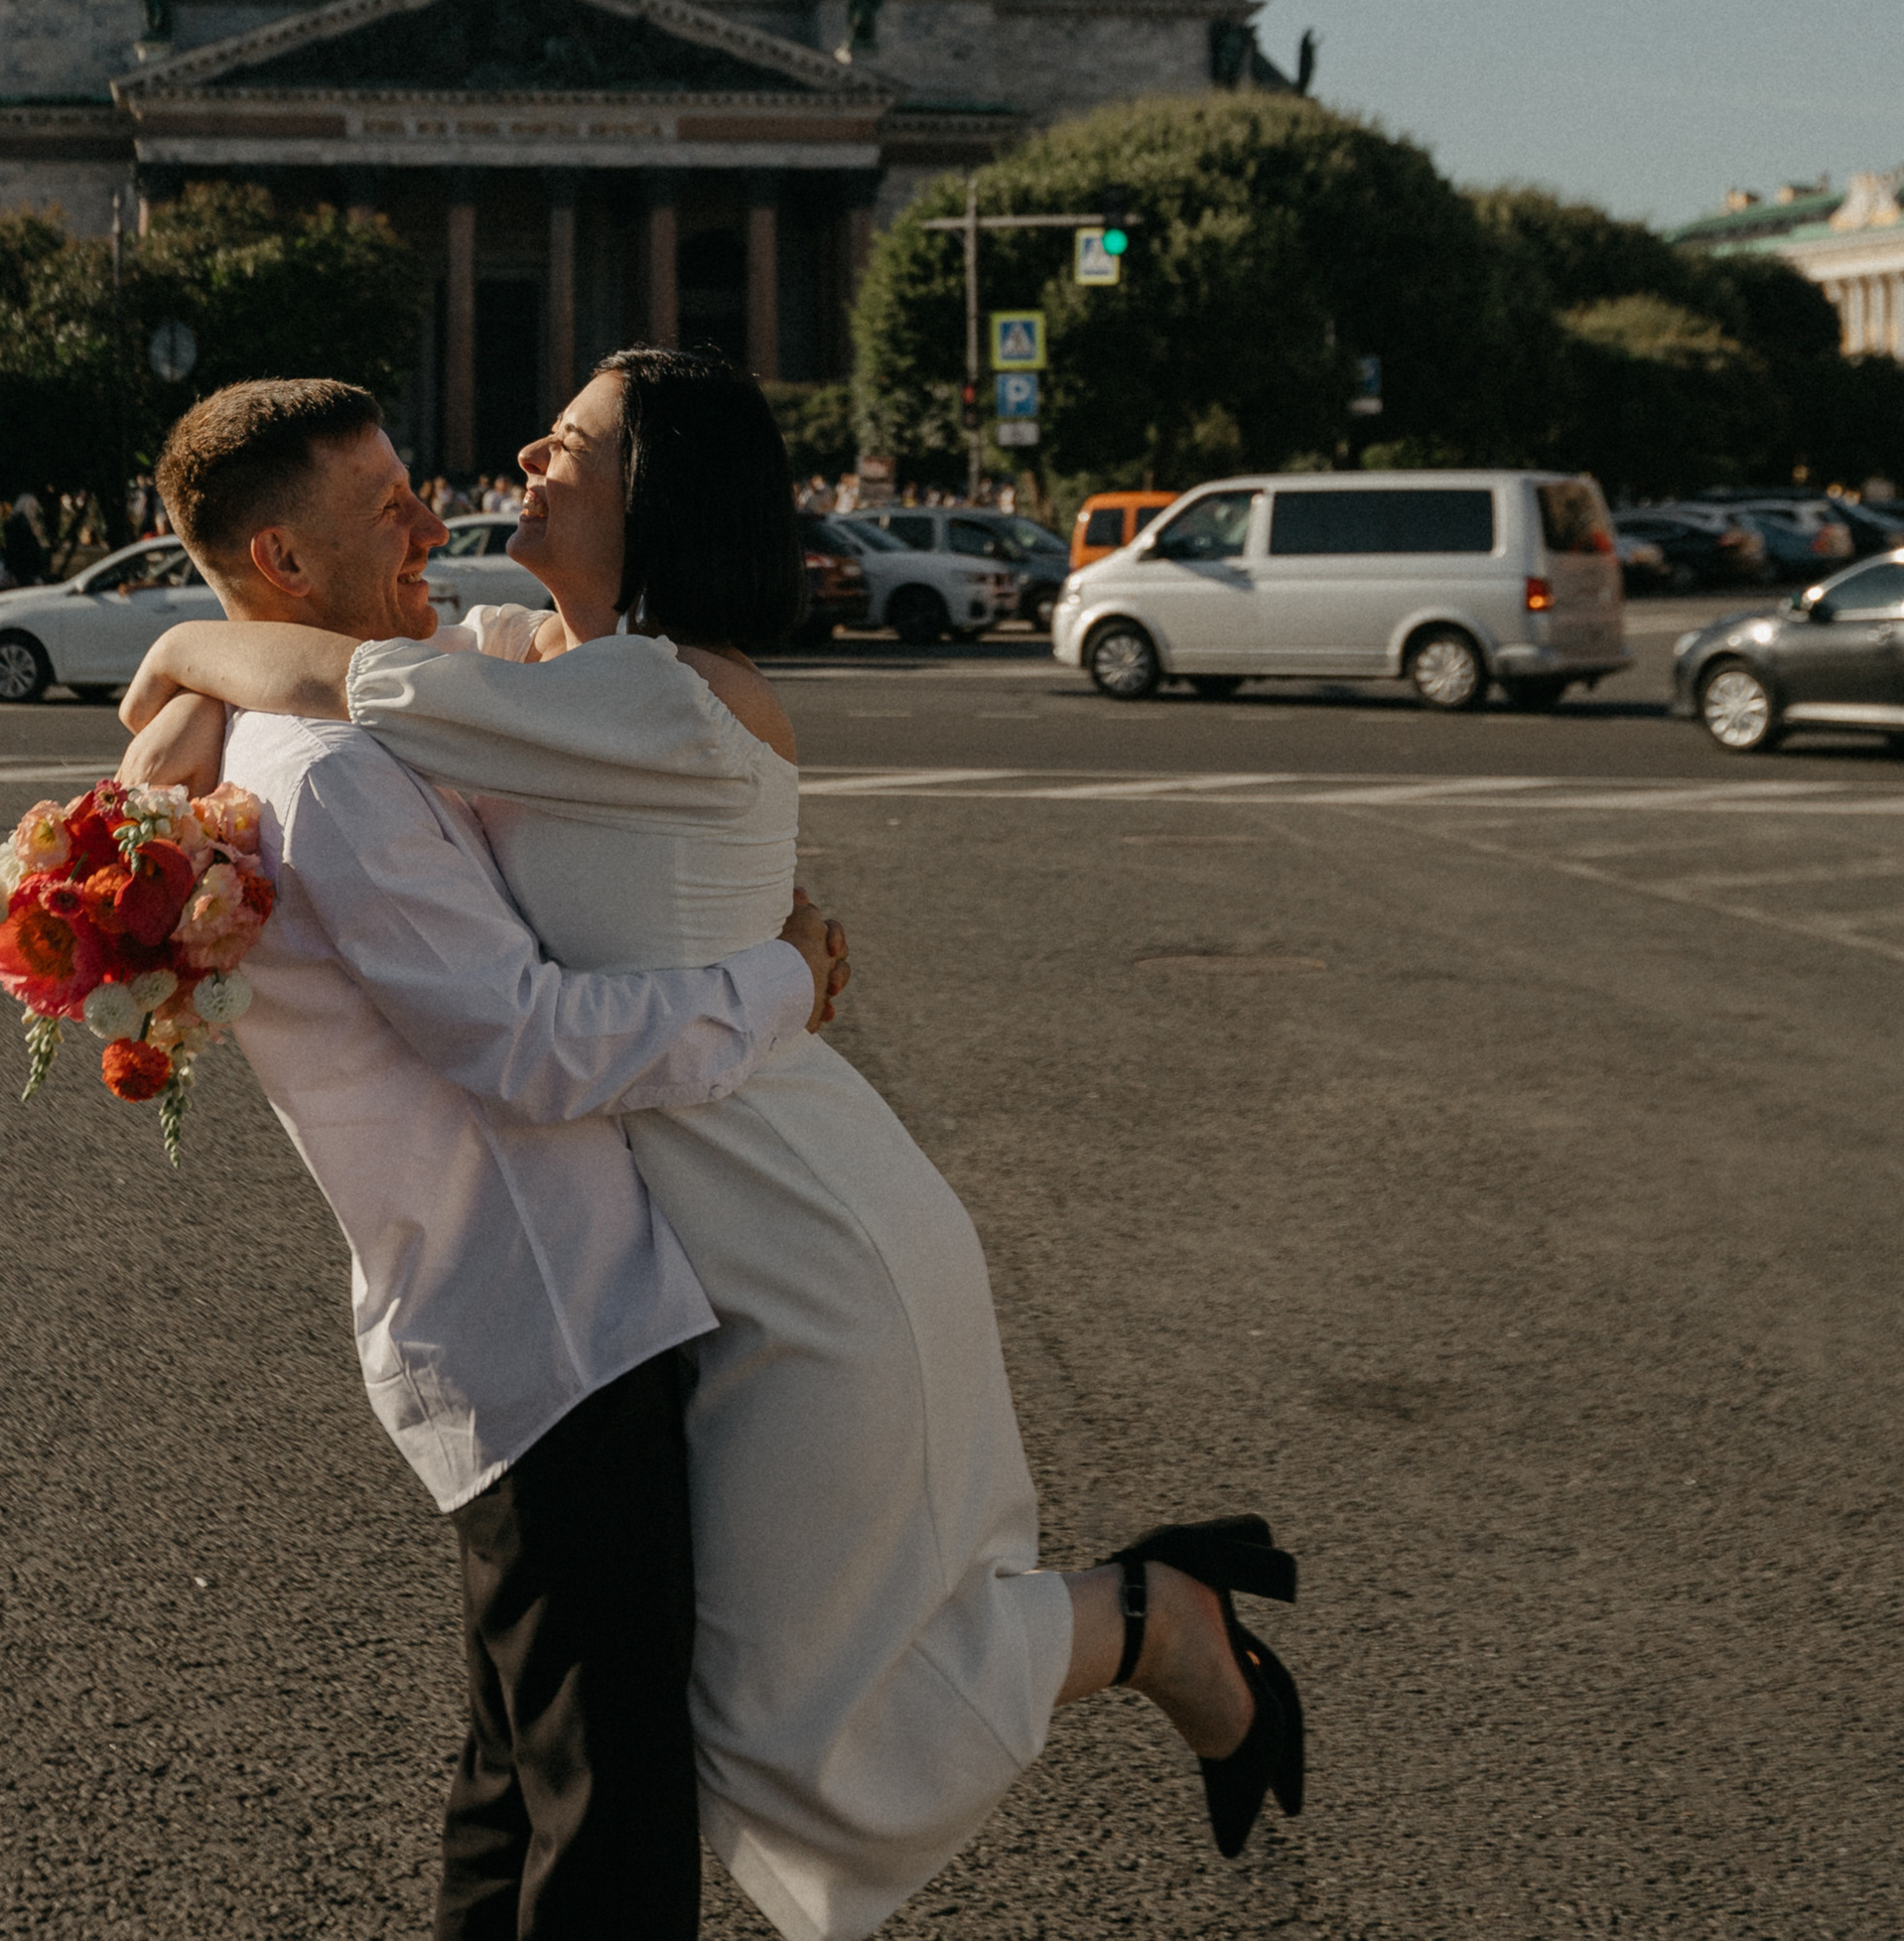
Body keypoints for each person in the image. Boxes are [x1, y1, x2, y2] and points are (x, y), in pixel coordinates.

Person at [126, 349, 1303, 1936]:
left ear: (649, 499)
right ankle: (1146, 1617)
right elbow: (354, 678)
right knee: (648, 1734)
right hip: (675, 1245)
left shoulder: (645, 693)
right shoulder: (523, 661)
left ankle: (1153, 1621)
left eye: (576, 445)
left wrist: (200, 642)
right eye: (395, 492)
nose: (512, 462)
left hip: (790, 1227)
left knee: (757, 1721)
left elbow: (343, 684)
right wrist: (200, 686)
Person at [115, 377, 851, 1941]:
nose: (431, 514)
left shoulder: (318, 733)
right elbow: (529, 1048)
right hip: (552, 1327)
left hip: (507, 1321)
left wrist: (183, 661)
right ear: (288, 568)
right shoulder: (336, 783)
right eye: (386, 505)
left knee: (518, 1789)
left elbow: (407, 671)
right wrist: (781, 984)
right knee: (611, 1825)